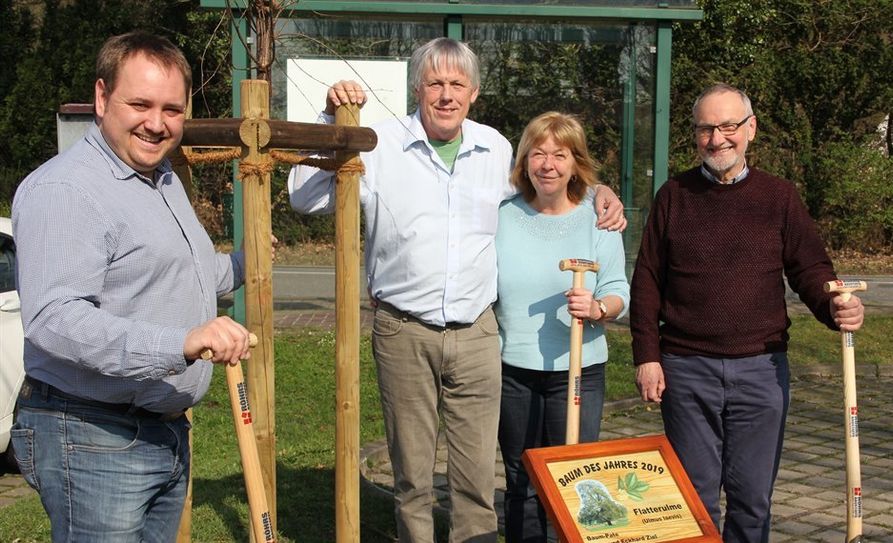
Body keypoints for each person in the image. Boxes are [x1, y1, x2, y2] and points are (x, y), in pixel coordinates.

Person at [289, 38, 626, 542]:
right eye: (435, 83)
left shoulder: (493, 148)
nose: (446, 95)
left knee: (474, 475)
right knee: (413, 472)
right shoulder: (376, 144)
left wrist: (600, 191)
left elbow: (547, 183)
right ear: (417, 89)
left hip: (476, 335)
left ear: (474, 93)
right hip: (404, 331)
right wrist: (332, 124)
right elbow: (302, 197)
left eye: (457, 84)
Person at [11, 31, 254, 542]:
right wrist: (180, 344)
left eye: (171, 109)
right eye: (139, 104)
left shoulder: (159, 180)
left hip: (157, 432)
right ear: (102, 98)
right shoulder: (68, 190)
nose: (156, 122)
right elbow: (56, 319)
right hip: (92, 434)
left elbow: (176, 275)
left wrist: (247, 265)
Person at [629, 83, 865, 543]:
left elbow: (811, 268)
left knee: (752, 501)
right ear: (695, 135)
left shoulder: (780, 197)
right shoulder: (673, 195)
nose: (718, 138)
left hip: (761, 370)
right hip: (686, 370)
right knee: (692, 501)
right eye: (706, 129)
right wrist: (647, 355)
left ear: (750, 129)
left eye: (729, 126)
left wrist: (835, 306)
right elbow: (648, 281)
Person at [494, 111, 630, 542]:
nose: (548, 165)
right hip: (512, 368)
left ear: (575, 163)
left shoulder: (599, 217)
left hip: (578, 370)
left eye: (560, 155)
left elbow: (618, 289)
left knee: (574, 479)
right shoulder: (502, 215)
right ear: (525, 160)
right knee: (521, 479)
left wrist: (598, 309)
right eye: (538, 154)